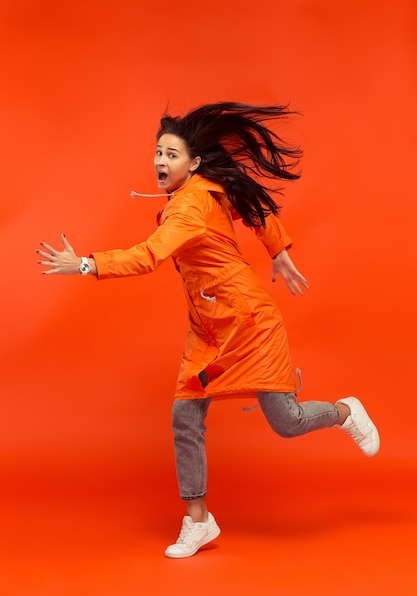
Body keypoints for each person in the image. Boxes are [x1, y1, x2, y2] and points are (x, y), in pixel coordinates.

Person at [36, 102, 380, 559]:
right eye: (158, 152)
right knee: (185, 415)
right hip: (209, 328)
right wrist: (276, 248)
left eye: (171, 154)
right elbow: (252, 203)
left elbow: (151, 255)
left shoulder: (190, 205)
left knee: (286, 422)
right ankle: (198, 520)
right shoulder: (203, 188)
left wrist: (84, 264)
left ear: (192, 162)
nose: (160, 161)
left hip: (249, 324)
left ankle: (343, 412)